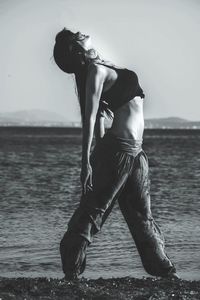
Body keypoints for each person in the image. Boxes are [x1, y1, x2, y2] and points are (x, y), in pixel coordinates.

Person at [53, 28, 178, 280]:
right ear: (77, 49)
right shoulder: (96, 72)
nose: (81, 31)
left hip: (135, 154)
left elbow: (99, 118)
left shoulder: (100, 68)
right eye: (76, 34)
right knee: (92, 213)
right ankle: (71, 273)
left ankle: (166, 273)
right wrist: (87, 162)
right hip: (118, 152)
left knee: (142, 218)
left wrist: (98, 153)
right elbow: (90, 119)